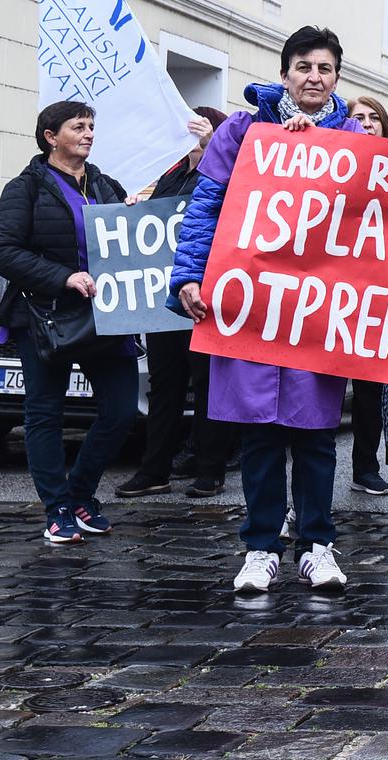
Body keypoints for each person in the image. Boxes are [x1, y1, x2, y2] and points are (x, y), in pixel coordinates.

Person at [173, 27, 364, 592]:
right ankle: (261, 548)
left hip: (317, 312)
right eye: (303, 66)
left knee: (315, 437)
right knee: (257, 434)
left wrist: (318, 148)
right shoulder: (242, 130)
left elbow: (380, 218)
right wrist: (189, 275)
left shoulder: (353, 137)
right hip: (251, 306)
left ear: (336, 77)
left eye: (324, 68)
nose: (313, 77)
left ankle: (317, 545)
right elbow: (206, 206)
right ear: (285, 73)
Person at [0, 102, 147, 543]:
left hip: (105, 316)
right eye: (78, 126)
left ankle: (79, 494)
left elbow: (128, 245)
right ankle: (57, 508)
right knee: (45, 414)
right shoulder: (25, 189)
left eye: (92, 126)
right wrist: (63, 278)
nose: (89, 133)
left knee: (119, 412)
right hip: (44, 317)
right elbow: (4, 250)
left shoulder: (104, 185)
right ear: (50, 136)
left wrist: (133, 214)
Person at [116, 106, 236, 500]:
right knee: (164, 383)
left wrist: (212, 145)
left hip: (207, 296)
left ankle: (210, 469)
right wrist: (136, 208)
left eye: (201, 132)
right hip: (165, 298)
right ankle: (155, 469)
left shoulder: (224, 173)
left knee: (207, 383)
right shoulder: (169, 175)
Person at [344, 95, 388, 496]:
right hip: (333, 288)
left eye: (372, 117)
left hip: (377, 294)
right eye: (356, 117)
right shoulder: (335, 166)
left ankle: (366, 465)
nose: (365, 123)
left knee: (370, 389)